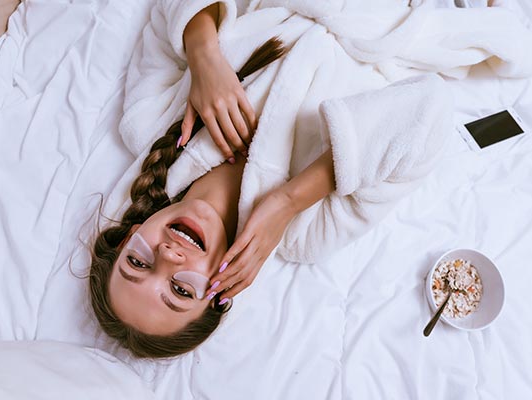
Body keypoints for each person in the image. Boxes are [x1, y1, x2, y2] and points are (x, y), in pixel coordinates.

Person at [89, 1, 452, 358]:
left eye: (138, 263)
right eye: (181, 290)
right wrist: (290, 199)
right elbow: (429, 110)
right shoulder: (307, 234)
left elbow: (164, 14)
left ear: (129, 234)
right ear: (221, 293)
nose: (167, 256)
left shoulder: (148, 125)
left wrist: (204, 58)